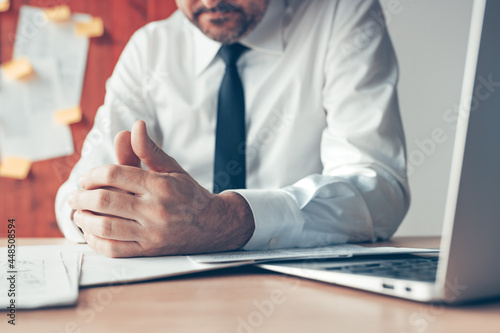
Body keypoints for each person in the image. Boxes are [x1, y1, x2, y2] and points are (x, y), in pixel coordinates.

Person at [56, 0, 410, 258]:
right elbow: (75, 191)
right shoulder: (150, 49)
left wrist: (231, 220)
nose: (211, 1)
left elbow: (380, 192)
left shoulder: (343, 16)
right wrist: (102, 213)